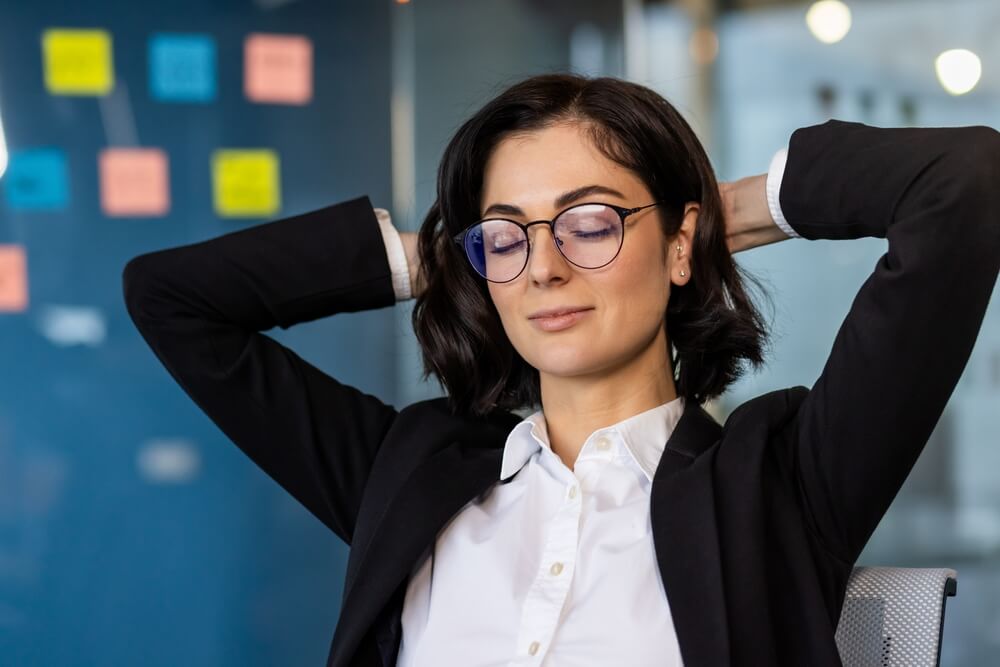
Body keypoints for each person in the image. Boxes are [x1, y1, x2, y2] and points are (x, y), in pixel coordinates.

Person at [122, 74, 1000, 666]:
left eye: (589, 222)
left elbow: (965, 183)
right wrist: (444, 257)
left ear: (680, 240)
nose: (543, 268)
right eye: (507, 233)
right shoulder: (410, 471)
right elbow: (171, 299)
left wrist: (728, 209)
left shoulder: (778, 480)